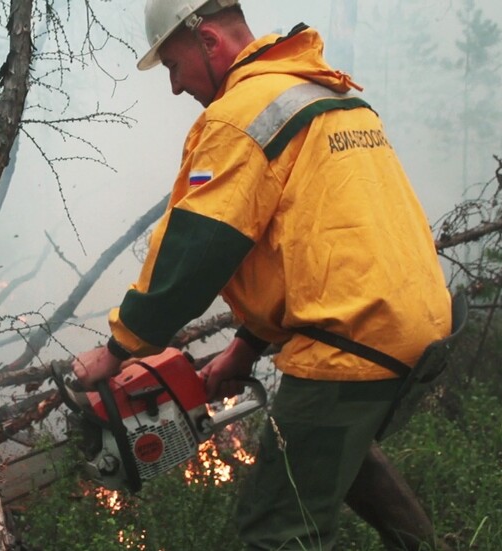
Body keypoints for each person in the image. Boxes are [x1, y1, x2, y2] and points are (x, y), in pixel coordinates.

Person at [71, 1, 455, 549]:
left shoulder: (239, 116)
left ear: (208, 41)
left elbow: (197, 246)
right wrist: (246, 348)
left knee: (275, 530)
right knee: (339, 452)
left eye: (174, 66)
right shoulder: (326, 93)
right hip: (411, 321)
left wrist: (118, 349)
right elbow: (313, 243)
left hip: (354, 339)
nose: (176, 88)